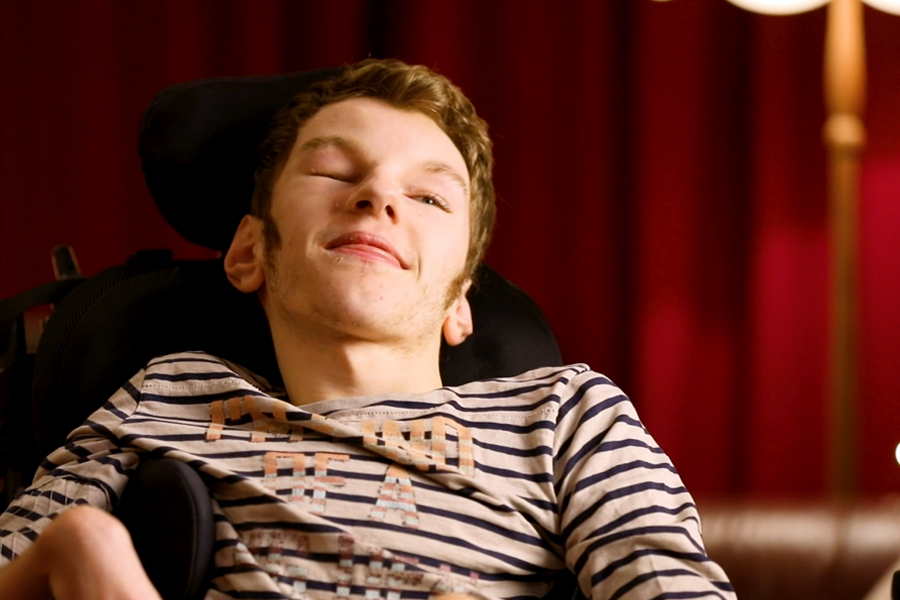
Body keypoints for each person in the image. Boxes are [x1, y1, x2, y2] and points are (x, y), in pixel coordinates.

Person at [0, 59, 736, 600]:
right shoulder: (167, 392)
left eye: (428, 196)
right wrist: (81, 554)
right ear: (251, 251)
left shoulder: (565, 416)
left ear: (460, 301)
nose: (377, 196)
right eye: (332, 172)